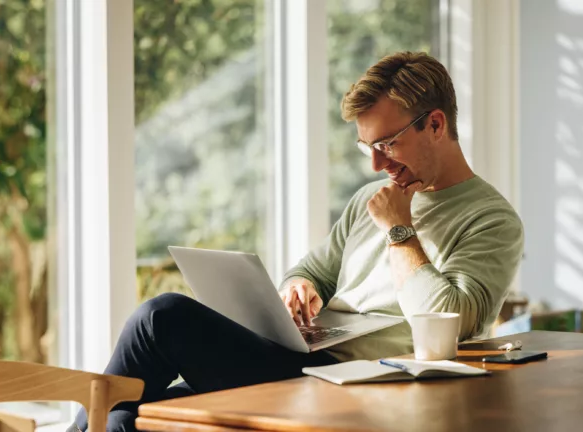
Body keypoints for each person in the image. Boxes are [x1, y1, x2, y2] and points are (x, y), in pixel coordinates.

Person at [68, 51, 524, 432]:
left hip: (361, 382)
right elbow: (312, 271)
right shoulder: (370, 199)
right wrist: (298, 288)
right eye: (369, 148)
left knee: (161, 316)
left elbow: (456, 322)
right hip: (300, 358)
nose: (376, 166)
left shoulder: (492, 219)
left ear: (436, 124)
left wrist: (399, 230)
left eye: (387, 144)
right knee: (127, 418)